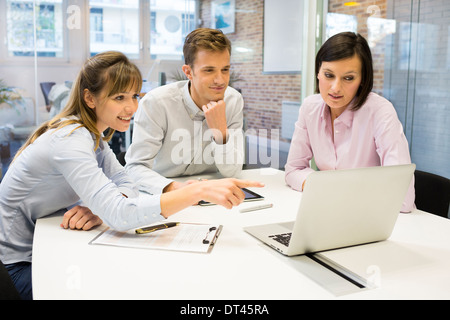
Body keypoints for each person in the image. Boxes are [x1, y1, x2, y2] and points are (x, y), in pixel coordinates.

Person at [0, 51, 263, 300]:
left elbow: (127, 183)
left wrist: (101, 209)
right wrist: (195, 191)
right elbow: (121, 214)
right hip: (16, 265)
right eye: (119, 98)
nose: (132, 107)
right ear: (90, 98)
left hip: (43, 248)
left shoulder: (94, 139)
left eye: (134, 96)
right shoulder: (71, 140)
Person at [285, 32, 415, 212]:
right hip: (330, 212)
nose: (336, 88)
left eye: (348, 78)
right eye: (329, 75)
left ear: (362, 80)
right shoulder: (310, 107)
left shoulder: (380, 111)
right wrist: (327, 188)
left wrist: (332, 189)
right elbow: (293, 170)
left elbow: (403, 198)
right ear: (318, 72)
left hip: (382, 220)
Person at [125, 28, 244, 194]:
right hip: (163, 192)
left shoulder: (233, 100)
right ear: (188, 72)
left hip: (213, 192)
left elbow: (233, 172)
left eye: (225, 69)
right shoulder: (157, 103)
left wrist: (220, 133)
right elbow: (135, 167)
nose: (220, 80)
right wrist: (178, 189)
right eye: (209, 70)